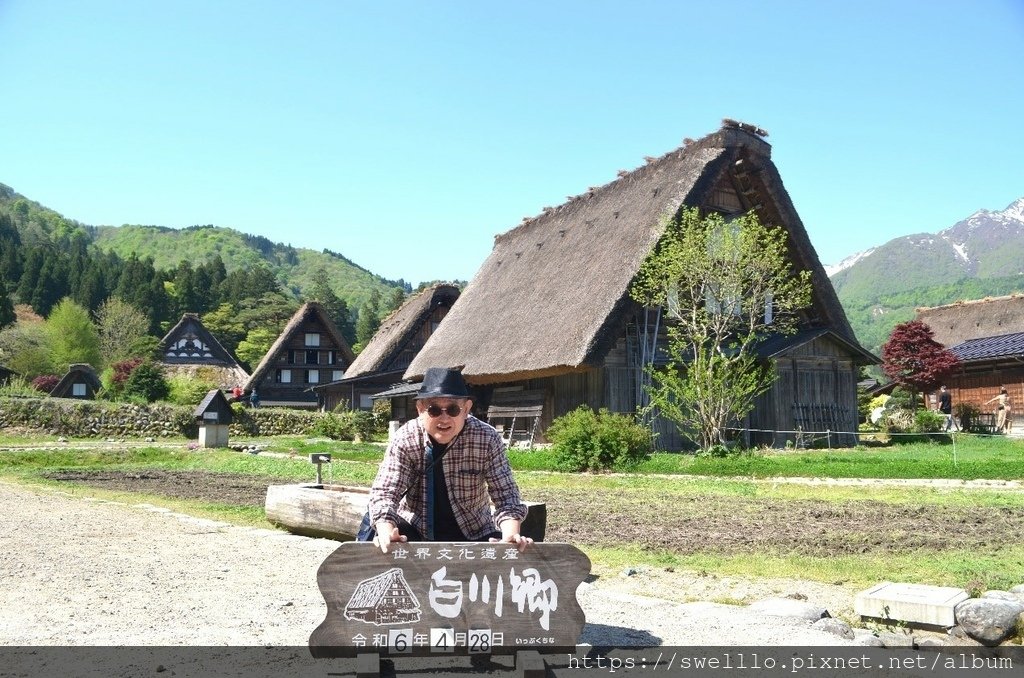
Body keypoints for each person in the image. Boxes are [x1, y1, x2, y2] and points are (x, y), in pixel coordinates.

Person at [366, 367, 531, 553]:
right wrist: (387, 531)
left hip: (473, 530)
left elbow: (506, 496)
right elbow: (385, 492)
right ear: (420, 410)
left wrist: (510, 534)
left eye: (453, 409)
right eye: (434, 410)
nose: (444, 419)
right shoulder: (405, 438)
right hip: (416, 529)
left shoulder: (487, 438)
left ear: (466, 409)